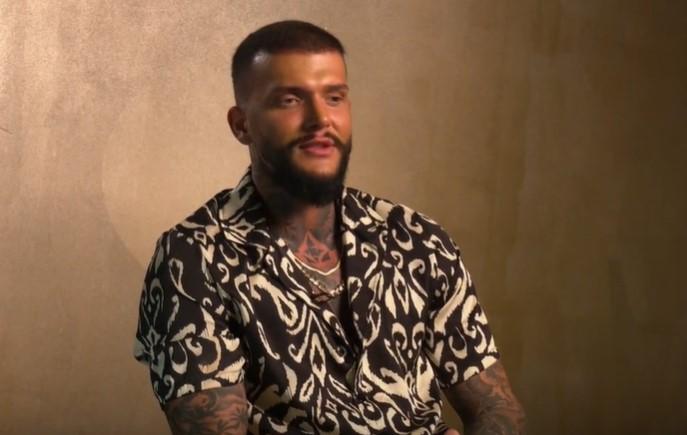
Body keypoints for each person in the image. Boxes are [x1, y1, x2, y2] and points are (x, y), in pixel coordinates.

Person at [133, 20, 525, 435]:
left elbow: (497, 407)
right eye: (290, 100)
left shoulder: (418, 239)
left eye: (334, 97)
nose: (320, 119)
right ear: (241, 124)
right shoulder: (192, 259)